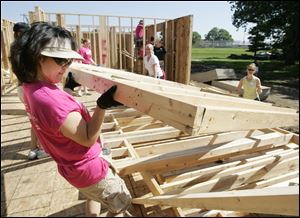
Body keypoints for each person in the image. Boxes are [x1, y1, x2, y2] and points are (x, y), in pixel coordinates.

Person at [10, 22, 132, 216]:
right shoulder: (50, 100)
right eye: (60, 61)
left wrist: (67, 90)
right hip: (89, 169)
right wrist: (102, 106)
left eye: (68, 61)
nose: (66, 66)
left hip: (72, 168)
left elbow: (55, 119)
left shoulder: (30, 88)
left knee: (93, 196)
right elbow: (87, 138)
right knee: (121, 202)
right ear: (39, 57)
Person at [13, 22, 48, 160]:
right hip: (30, 89)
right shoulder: (26, 49)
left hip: (24, 89)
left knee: (35, 119)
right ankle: (40, 148)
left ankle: (34, 148)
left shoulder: (16, 48)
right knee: (41, 120)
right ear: (21, 33)